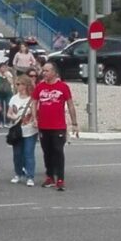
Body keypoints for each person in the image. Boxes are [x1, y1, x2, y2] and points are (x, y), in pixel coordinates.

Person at [29, 63, 78, 191]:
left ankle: (60, 178)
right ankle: (49, 176)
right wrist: (35, 118)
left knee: (58, 151)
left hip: (58, 126)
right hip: (44, 126)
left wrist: (75, 124)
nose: (44, 73)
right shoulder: (40, 87)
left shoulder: (63, 87)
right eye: (43, 70)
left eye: (47, 71)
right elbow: (34, 102)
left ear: (54, 72)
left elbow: (71, 105)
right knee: (47, 152)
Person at [7, 75, 37, 186]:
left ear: (26, 85)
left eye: (20, 84)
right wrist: (12, 117)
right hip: (17, 129)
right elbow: (9, 113)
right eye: (17, 84)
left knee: (28, 153)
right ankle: (18, 173)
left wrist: (34, 120)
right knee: (17, 153)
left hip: (29, 130)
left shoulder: (32, 99)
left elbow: (34, 113)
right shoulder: (14, 98)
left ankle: (30, 176)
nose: (18, 86)